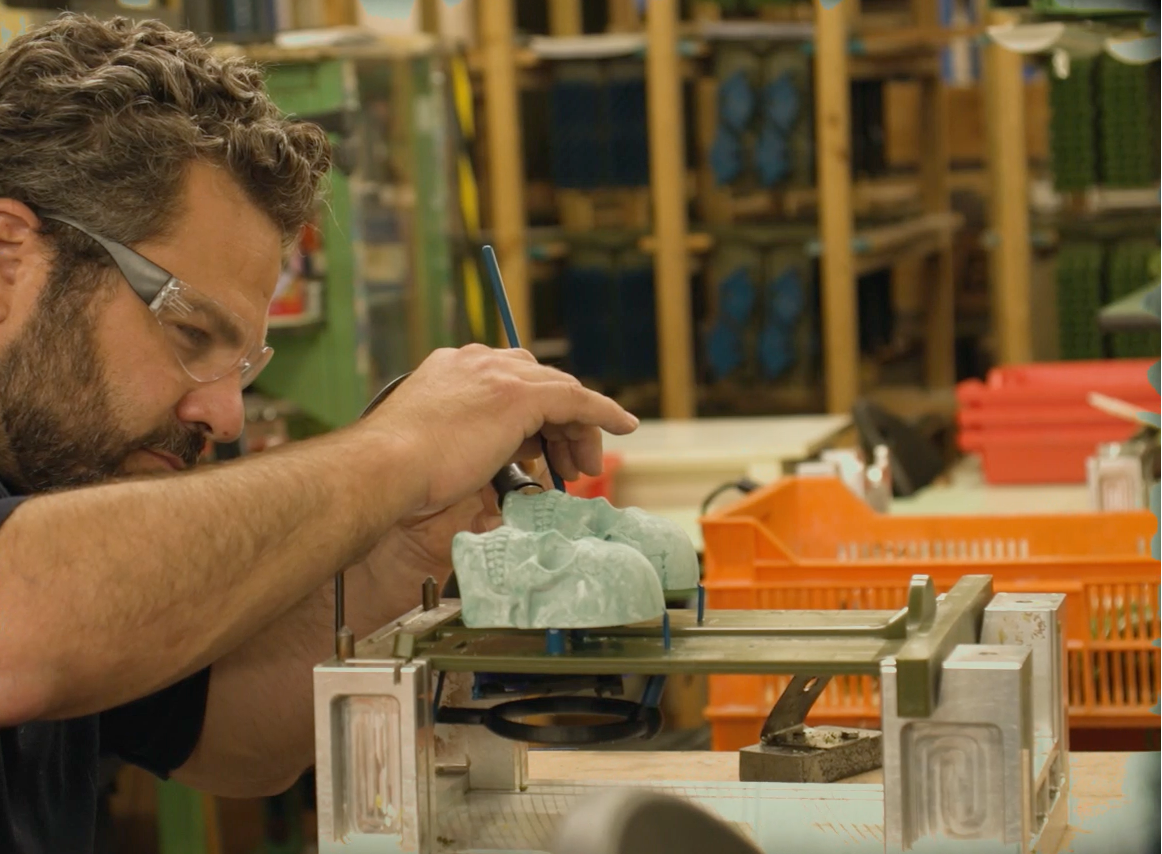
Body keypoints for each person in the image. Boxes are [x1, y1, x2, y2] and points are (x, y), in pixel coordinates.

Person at [0, 14, 638, 852]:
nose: (224, 416)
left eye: (243, 364)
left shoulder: (55, 486)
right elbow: (23, 627)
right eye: (190, 334)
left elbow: (233, 746)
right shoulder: (41, 585)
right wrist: (400, 451)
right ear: (12, 256)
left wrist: (409, 545)